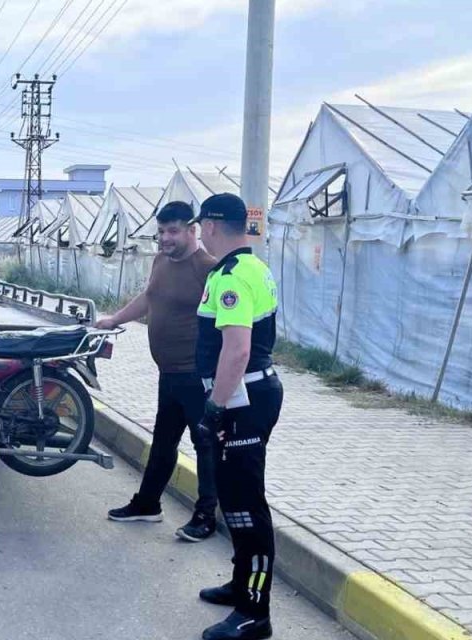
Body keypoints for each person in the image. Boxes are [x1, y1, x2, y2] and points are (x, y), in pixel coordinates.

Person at [95, 200, 221, 542]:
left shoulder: (207, 268)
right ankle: (148, 504)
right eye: (162, 231)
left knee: (205, 445)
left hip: (196, 375)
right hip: (168, 373)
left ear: (192, 230)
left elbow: (226, 324)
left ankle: (206, 515)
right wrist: (114, 319)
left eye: (173, 231)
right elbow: (149, 298)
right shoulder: (160, 260)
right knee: (164, 441)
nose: (165, 238)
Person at [191, 193, 282, 640]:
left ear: (210, 225)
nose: (198, 232)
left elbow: (237, 349)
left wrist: (213, 408)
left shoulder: (233, 275)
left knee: (247, 506)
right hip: (247, 396)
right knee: (234, 502)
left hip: (243, 401)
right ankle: (240, 583)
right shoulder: (252, 266)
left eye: (198, 225)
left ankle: (255, 612)